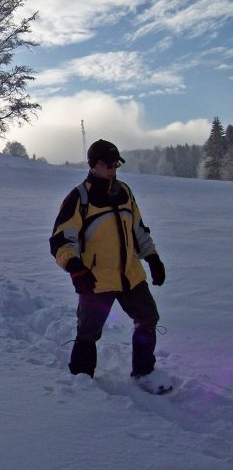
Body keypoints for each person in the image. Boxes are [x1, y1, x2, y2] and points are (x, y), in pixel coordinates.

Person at [49, 139, 169, 391]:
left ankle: (144, 373)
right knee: (88, 333)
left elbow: (139, 230)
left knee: (148, 318)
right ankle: (81, 384)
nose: (113, 169)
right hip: (95, 279)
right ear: (93, 165)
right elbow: (61, 240)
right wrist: (75, 268)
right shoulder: (79, 198)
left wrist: (153, 258)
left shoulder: (124, 191)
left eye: (116, 164)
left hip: (130, 275)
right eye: (107, 164)